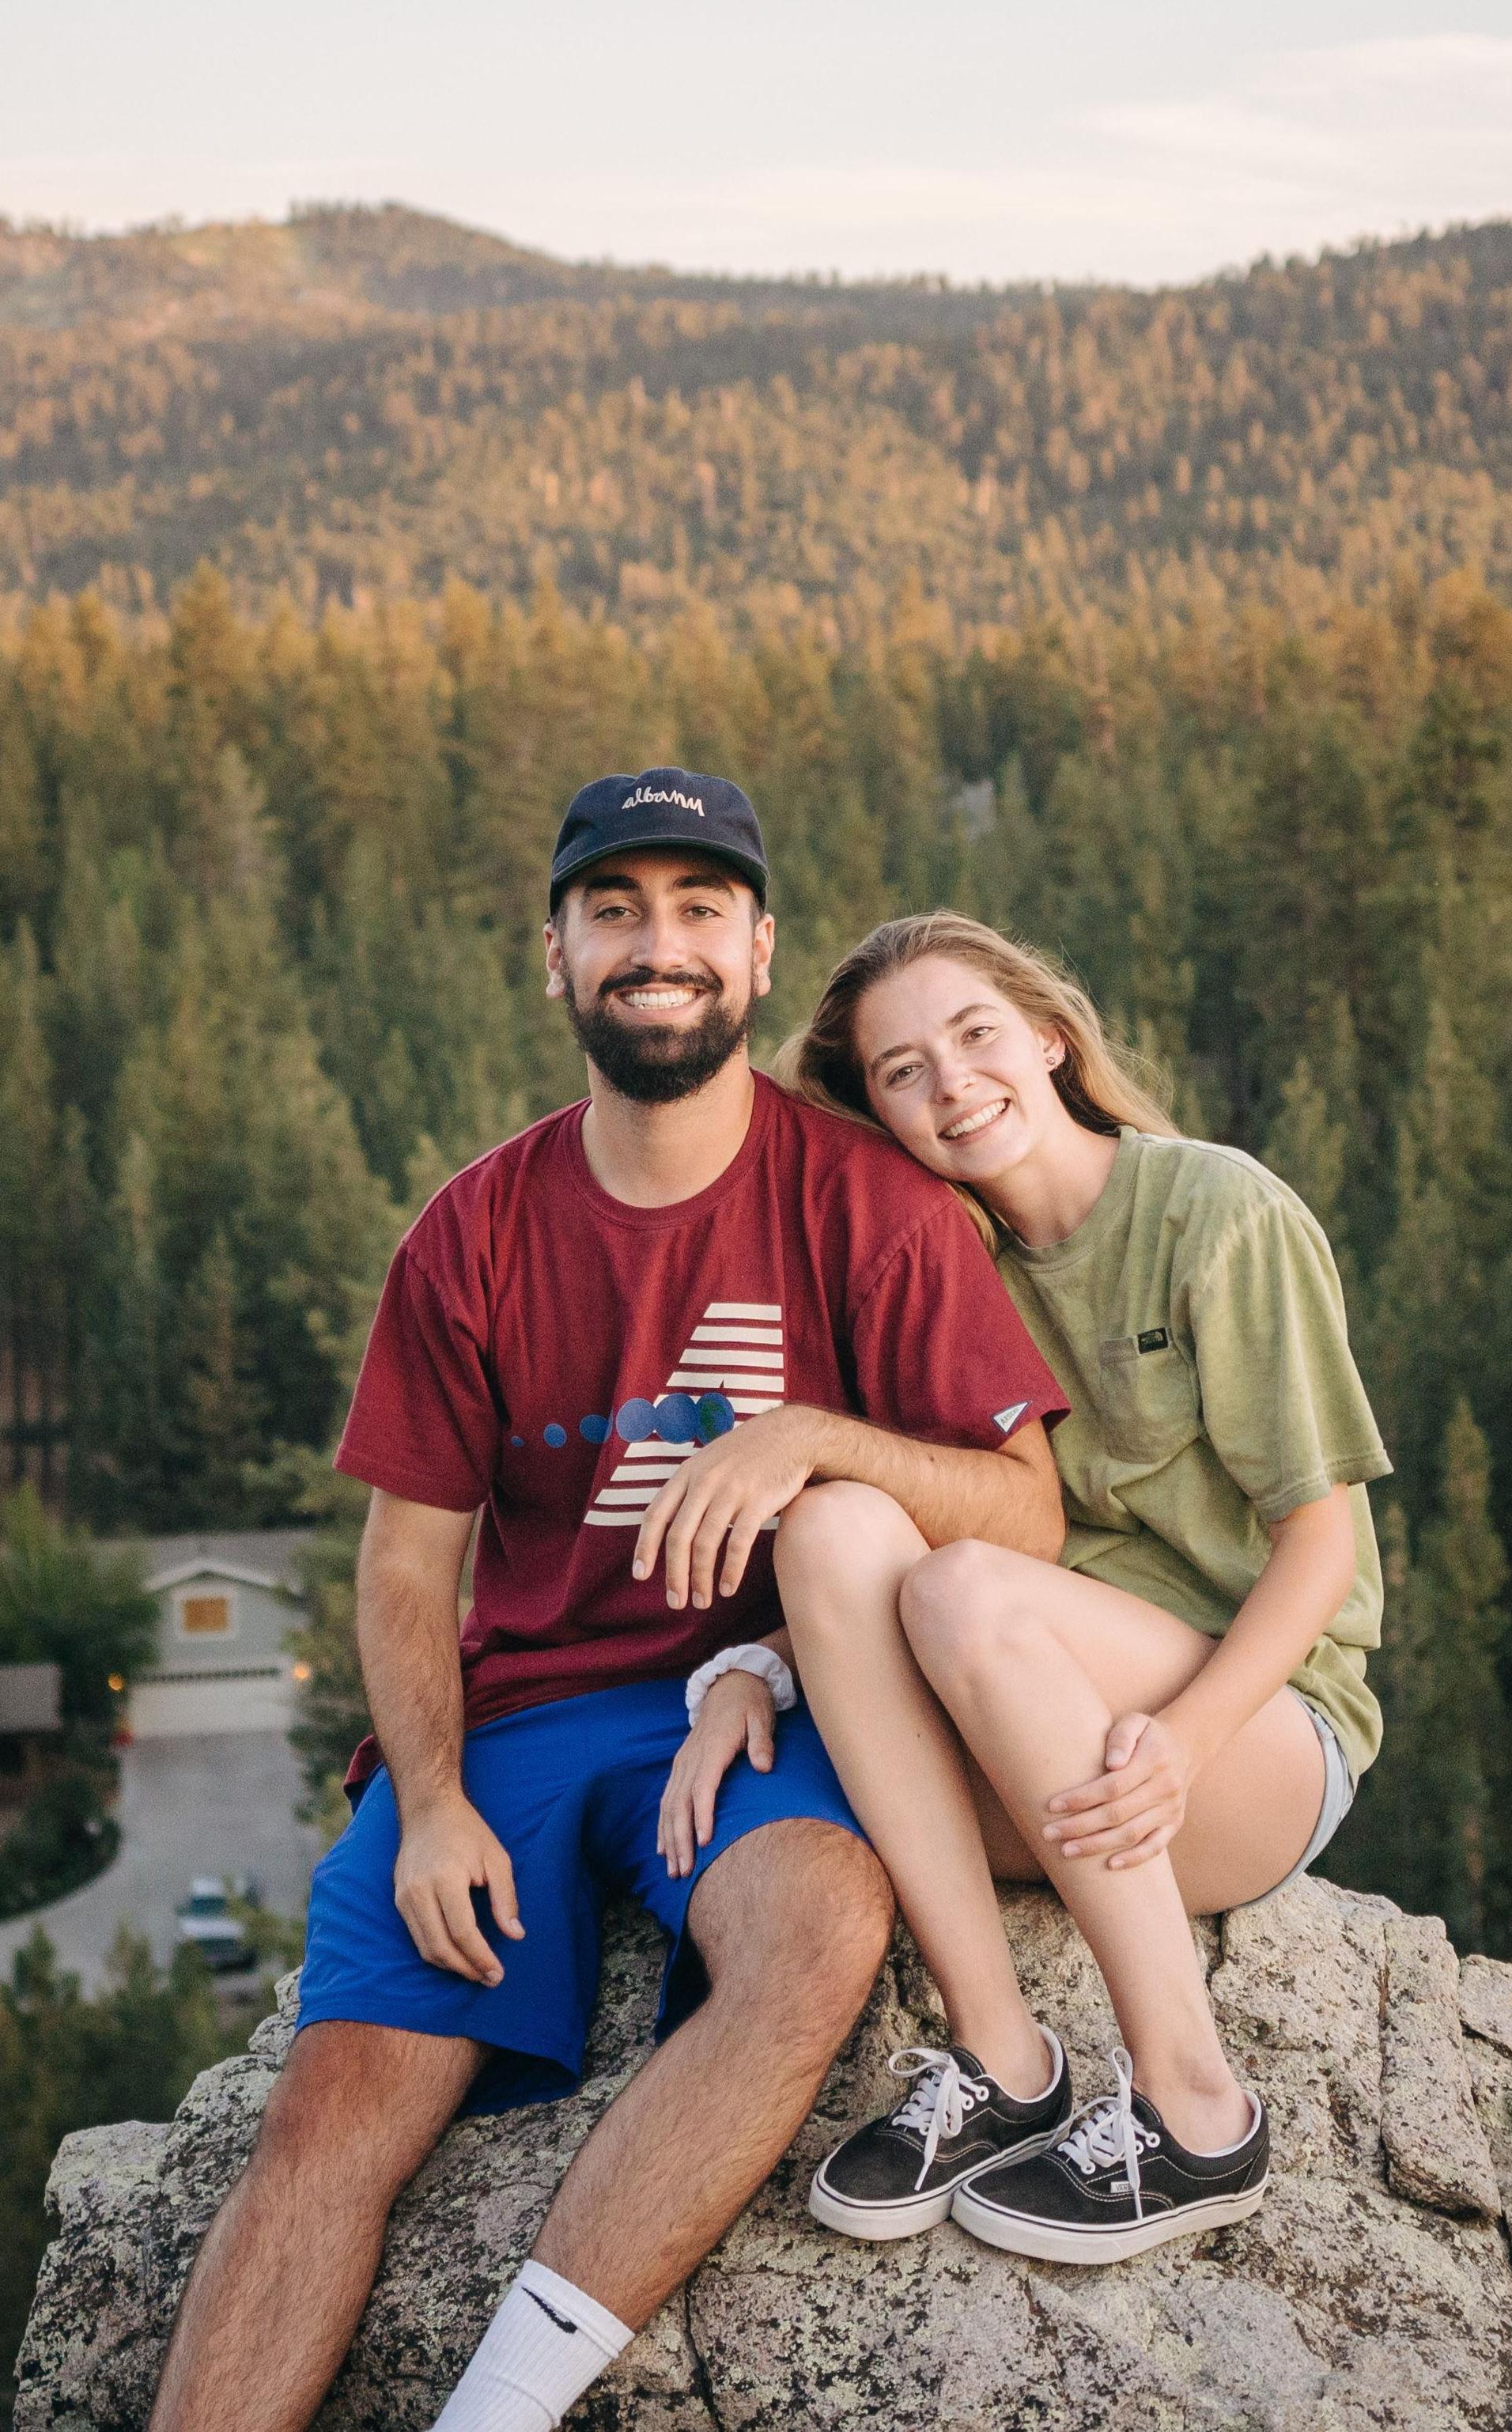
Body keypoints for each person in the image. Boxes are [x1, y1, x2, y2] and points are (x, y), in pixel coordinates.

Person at [146, 784, 1068, 2432]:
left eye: (702, 908)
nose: (662, 946)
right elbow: (407, 1562)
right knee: (333, 2113)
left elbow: (1025, 1511)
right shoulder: (474, 1232)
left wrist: (816, 1447)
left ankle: (497, 2413)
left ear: (762, 951)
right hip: (515, 1723)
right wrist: (427, 1805)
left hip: (766, 1704)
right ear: (556, 955)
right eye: (618, 909)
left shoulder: (869, 1206)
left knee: (818, 1930)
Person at [750, 909, 1393, 2267]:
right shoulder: (941, 1260)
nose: (952, 1083)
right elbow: (871, 1527)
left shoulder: (1215, 1208)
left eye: (975, 1035)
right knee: (831, 1532)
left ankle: (1199, 2113)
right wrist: (744, 1678)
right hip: (1042, 1741)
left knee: (968, 1592)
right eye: (902, 1071)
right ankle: (1002, 2058)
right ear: (878, 1111)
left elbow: (1321, 1549)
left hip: (1254, 1740)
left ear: (1049, 1037)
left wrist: (1184, 1742)